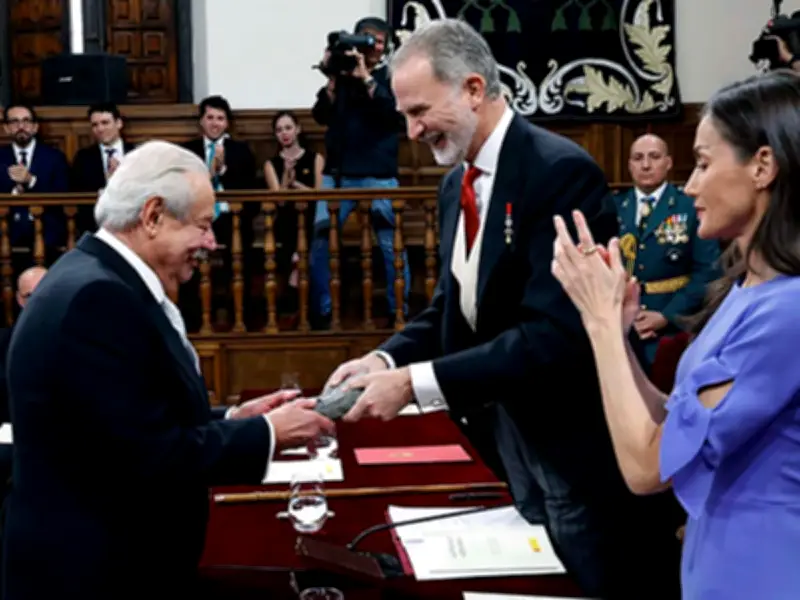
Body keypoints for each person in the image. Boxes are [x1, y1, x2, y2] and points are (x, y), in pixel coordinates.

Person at [324, 18, 676, 597]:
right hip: (509, 441)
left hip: (577, 450)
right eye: (404, 116)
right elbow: (451, 310)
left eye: (419, 112)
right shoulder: (452, 186)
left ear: (472, 89)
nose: (411, 132)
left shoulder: (558, 172)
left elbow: (553, 336)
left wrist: (416, 384)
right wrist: (384, 362)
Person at [2, 141, 334, 600]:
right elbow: (148, 456)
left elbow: (130, 417)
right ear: (153, 215)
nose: (212, 243)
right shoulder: (96, 300)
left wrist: (231, 420)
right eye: (202, 226)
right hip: (96, 574)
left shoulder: (97, 277)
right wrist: (269, 433)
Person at [551, 69, 800, 599]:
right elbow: (677, 420)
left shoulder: (788, 311)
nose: (690, 185)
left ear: (762, 166)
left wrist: (597, 325)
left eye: (704, 163)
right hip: (718, 556)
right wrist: (617, 334)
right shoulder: (748, 289)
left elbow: (648, 468)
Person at [616, 134, 719, 365]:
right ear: (630, 165)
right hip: (620, 327)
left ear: (669, 162)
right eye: (638, 158)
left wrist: (666, 316)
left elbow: (708, 273)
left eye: (654, 157)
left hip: (673, 329)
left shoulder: (691, 206)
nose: (645, 165)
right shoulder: (614, 207)